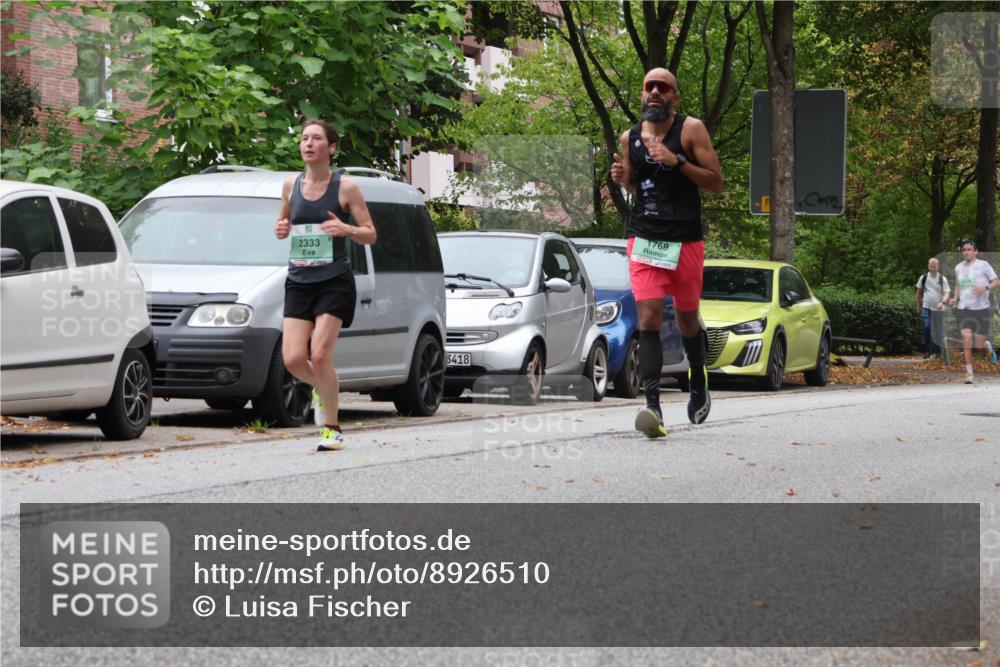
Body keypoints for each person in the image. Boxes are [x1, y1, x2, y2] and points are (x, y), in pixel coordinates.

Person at [610, 68, 723, 438]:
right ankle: (653, 406)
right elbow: (633, 183)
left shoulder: (691, 130)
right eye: (649, 86)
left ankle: (698, 377)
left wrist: (678, 162)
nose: (655, 92)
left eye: (663, 87)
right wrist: (621, 176)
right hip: (643, 238)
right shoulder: (630, 138)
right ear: (642, 93)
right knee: (649, 316)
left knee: (689, 320)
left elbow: (716, 182)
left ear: (675, 94)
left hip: (685, 240)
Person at [275, 119, 377, 450]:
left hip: (334, 280)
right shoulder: (291, 184)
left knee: (319, 355)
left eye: (316, 138)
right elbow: (284, 221)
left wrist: (347, 230)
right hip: (299, 280)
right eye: (304, 138)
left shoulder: (346, 188)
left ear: (330, 148)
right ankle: (324, 389)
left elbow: (370, 233)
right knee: (292, 359)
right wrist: (281, 229)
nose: (308, 143)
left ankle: (332, 430)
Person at [947, 240, 998, 384]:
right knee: (967, 339)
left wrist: (984, 288)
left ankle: (987, 347)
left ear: (976, 251)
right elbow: (958, 284)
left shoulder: (983, 265)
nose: (966, 252)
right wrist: (955, 299)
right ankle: (969, 374)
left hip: (982, 309)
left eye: (969, 249)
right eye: (964, 249)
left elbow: (996, 281)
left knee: (979, 345)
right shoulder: (958, 267)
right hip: (964, 309)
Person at [915, 257, 949, 359]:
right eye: (931, 266)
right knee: (926, 327)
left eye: (934, 266)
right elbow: (918, 293)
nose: (932, 268)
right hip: (926, 307)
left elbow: (947, 293)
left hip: (939, 309)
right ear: (928, 266)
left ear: (938, 267)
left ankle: (937, 352)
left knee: (938, 330)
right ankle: (928, 351)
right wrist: (918, 306)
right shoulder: (924, 278)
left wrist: (942, 302)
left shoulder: (942, 279)